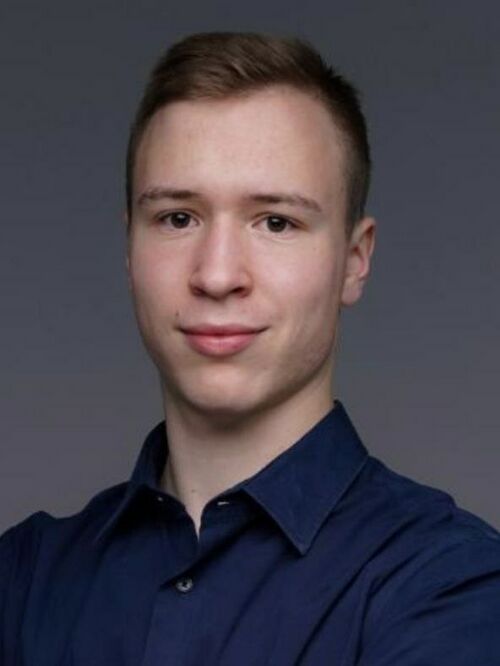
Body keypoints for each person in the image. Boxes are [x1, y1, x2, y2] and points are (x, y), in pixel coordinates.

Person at [1, 31, 499, 665]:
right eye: (178, 218)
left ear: (354, 260)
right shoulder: (23, 580)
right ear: (130, 250)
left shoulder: (452, 585)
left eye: (276, 222)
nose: (216, 275)